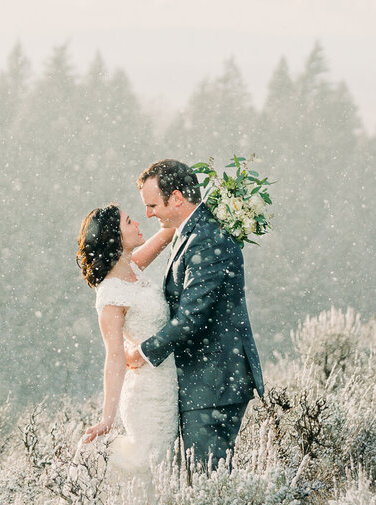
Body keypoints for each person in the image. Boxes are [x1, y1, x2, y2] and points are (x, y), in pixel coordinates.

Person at [125, 159, 264, 470]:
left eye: (152, 205)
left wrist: (144, 352)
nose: (149, 214)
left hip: (213, 383)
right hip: (205, 383)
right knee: (201, 483)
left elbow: (192, 317)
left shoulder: (207, 237)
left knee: (206, 486)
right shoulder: (193, 231)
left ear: (176, 198)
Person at [77, 204, 179, 480]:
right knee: (153, 469)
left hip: (169, 382)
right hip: (147, 394)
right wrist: (106, 419)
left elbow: (168, 231)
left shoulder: (134, 265)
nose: (137, 223)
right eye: (129, 222)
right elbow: (114, 357)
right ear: (115, 236)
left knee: (170, 468)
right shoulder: (110, 293)